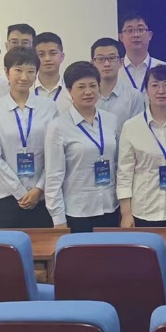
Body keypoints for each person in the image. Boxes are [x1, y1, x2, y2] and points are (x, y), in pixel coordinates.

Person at [0, 47, 58, 228]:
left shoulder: (49, 107)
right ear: (7, 72)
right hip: (5, 197)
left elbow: (55, 154)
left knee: (42, 245)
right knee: (5, 246)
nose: (24, 77)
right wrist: (20, 192)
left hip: (41, 197)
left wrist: (39, 188)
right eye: (18, 70)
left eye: (30, 71)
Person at [44, 61, 121, 232]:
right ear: (69, 91)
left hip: (110, 207)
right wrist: (58, 219)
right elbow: (53, 176)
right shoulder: (58, 126)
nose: (88, 92)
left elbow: (117, 165)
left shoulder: (111, 120)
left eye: (93, 86)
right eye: (81, 87)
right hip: (78, 212)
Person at [117, 66, 166, 227]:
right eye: (154, 85)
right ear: (146, 89)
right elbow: (125, 173)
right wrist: (126, 213)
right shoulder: (131, 127)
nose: (161, 91)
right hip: (144, 211)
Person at [91, 37, 145, 136]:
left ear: (121, 62)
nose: (106, 64)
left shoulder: (134, 96)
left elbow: (137, 134)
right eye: (100, 59)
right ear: (92, 63)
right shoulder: (86, 96)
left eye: (112, 58)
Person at [119, 13, 164, 91]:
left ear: (150, 35)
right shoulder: (115, 69)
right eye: (130, 30)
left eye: (140, 30)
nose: (136, 35)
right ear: (121, 37)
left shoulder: (163, 68)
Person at [33, 32, 71, 106]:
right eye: (41, 54)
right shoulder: (26, 89)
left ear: (62, 57)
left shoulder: (71, 90)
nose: (47, 59)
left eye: (53, 53)